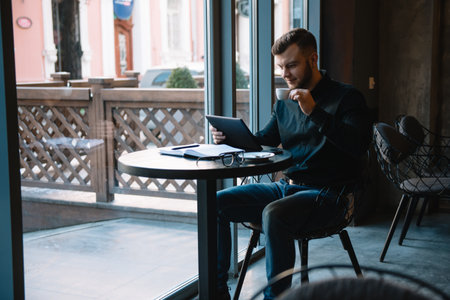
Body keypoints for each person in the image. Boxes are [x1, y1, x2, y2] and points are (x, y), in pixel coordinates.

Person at [211, 28, 372, 300]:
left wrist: (315, 112)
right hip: (287, 187)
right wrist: (232, 138)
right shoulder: (285, 103)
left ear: (313, 59)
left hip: (332, 196)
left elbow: (358, 146)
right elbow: (263, 141)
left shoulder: (347, 97)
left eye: (292, 65)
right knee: (215, 203)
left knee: (275, 214)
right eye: (280, 66)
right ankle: (216, 292)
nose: (284, 73)